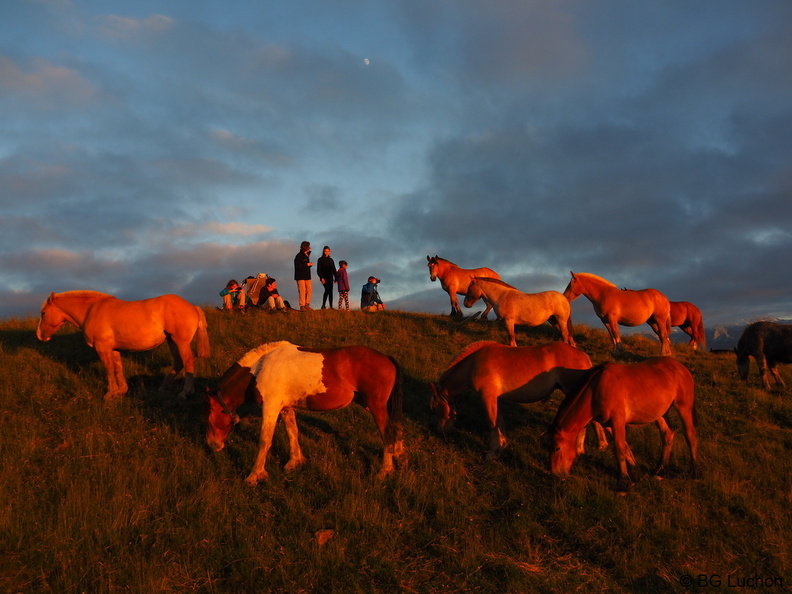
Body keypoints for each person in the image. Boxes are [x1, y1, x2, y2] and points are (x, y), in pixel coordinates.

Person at [293, 240, 313, 311]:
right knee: (302, 291)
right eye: (308, 246)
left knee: (309, 290)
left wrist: (309, 265)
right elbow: (298, 266)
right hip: (300, 276)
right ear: (305, 247)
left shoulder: (307, 255)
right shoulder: (298, 256)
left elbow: (304, 266)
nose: (309, 248)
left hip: (307, 276)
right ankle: (302, 305)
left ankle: (307, 304)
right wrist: (307, 264)